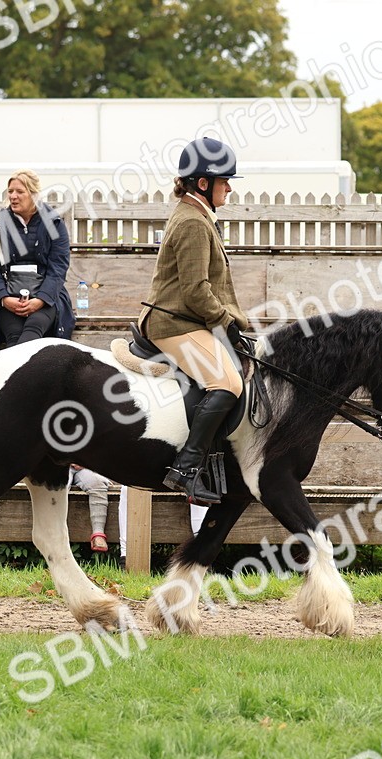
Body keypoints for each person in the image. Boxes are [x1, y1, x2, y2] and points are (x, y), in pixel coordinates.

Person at [138, 137, 249, 505]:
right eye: (225, 181)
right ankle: (186, 469)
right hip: (175, 323)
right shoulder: (192, 223)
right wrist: (225, 322)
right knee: (227, 383)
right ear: (203, 183)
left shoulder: (196, 216)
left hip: (187, 320)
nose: (229, 188)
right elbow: (196, 290)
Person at [0, 169, 75, 349]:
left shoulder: (55, 224)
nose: (13, 196)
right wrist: (4, 299)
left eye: (20, 191)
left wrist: (40, 300)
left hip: (46, 298)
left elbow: (58, 268)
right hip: (9, 297)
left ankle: (11, 368)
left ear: (34, 194)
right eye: (10, 191)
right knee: (13, 333)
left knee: (34, 326)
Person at [70, 465, 112, 553]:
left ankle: (98, 533)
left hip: (83, 468)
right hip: (57, 467)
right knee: (57, 489)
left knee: (97, 484)